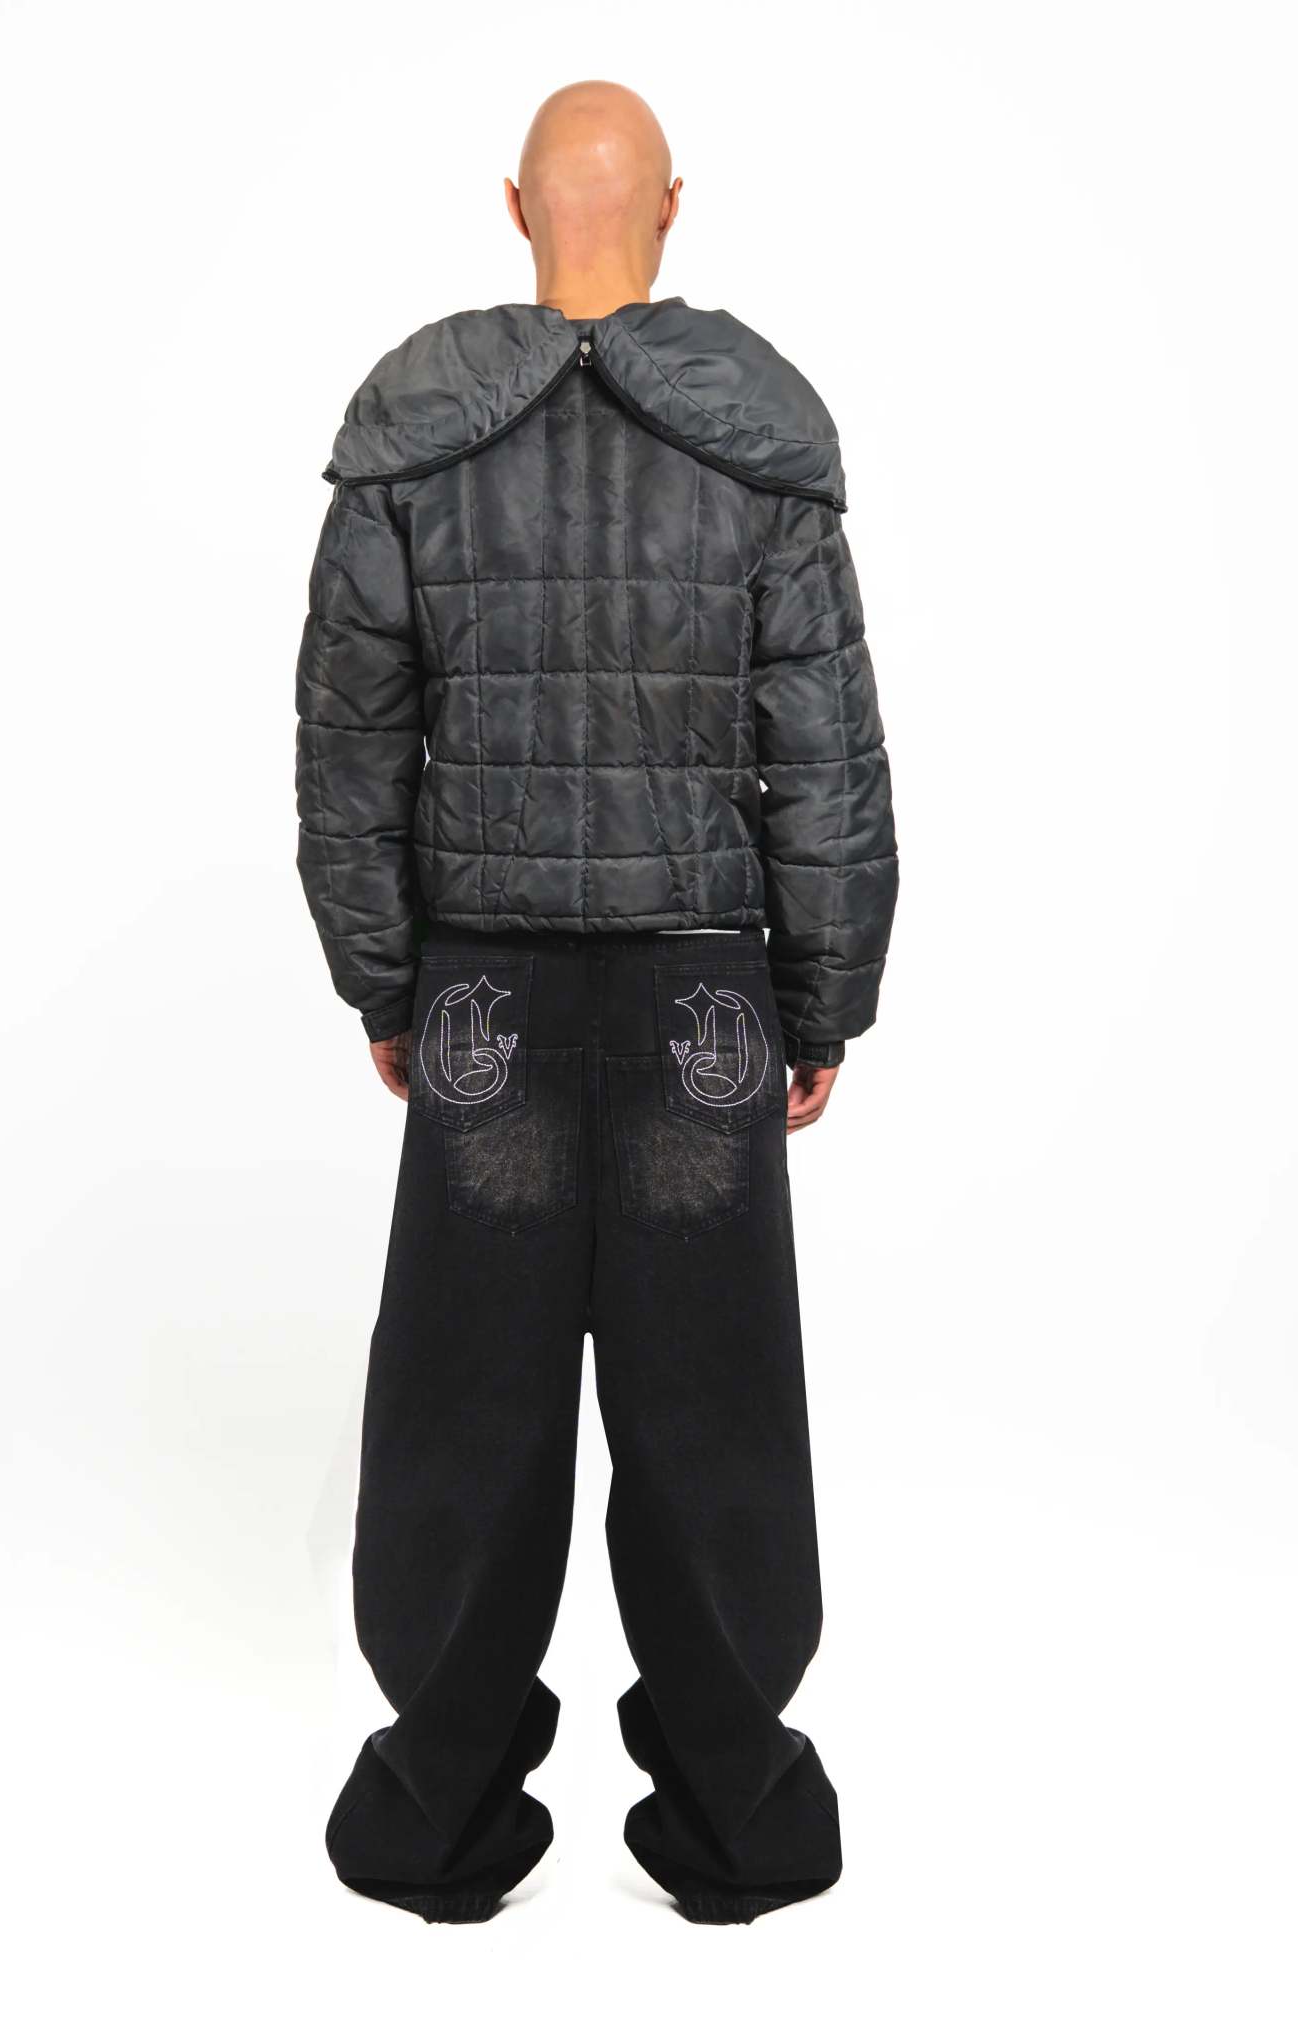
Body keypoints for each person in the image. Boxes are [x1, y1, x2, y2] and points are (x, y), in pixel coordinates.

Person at [294, 80, 897, 1924]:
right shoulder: (762, 440)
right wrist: (821, 1002)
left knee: (459, 1422)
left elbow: (347, 756)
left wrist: (385, 980)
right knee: (715, 1421)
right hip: (702, 1000)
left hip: (480, 993)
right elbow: (826, 760)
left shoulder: (409, 437)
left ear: (513, 209)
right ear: (672, 210)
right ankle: (738, 1830)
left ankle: (436, 1828)